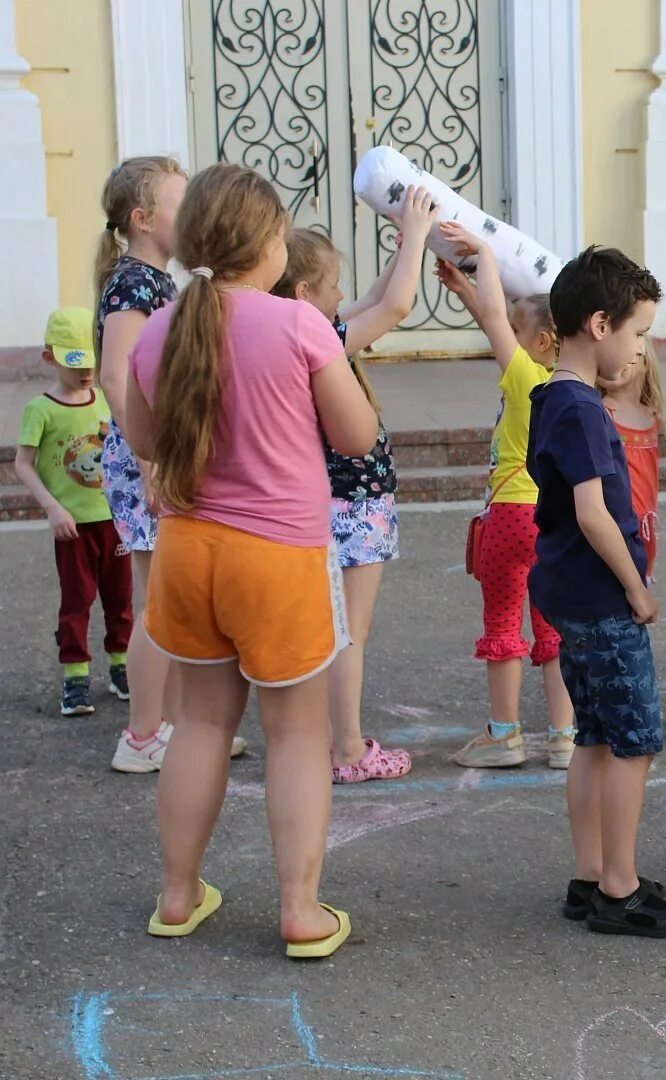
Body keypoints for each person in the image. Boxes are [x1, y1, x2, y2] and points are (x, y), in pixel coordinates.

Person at [123, 163, 378, 957]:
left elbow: (141, 441)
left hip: (189, 552)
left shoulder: (160, 328)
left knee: (199, 722)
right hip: (278, 556)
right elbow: (357, 437)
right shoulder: (296, 324)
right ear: (267, 243)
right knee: (297, 734)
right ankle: (300, 910)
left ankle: (177, 895)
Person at [530, 245, 666, 938]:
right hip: (602, 597)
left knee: (594, 735)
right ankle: (620, 888)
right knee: (634, 740)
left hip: (567, 592)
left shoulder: (552, 395)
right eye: (637, 331)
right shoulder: (586, 411)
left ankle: (590, 872)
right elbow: (597, 513)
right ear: (600, 325)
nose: (639, 346)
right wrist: (638, 589)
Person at [269, 189, 434, 784]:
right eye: (333, 283)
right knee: (349, 634)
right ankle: (345, 748)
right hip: (353, 506)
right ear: (306, 293)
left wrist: (404, 249)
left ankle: (324, 739)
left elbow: (373, 299)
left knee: (330, 629)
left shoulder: (296, 331)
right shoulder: (317, 340)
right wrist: (415, 233)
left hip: (328, 504)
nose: (343, 292)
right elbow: (394, 308)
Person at [95, 156, 246, 771]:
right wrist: (150, 457)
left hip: (156, 453)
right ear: (142, 218)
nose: (189, 218)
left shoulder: (153, 279)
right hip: (144, 456)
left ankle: (184, 727)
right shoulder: (134, 282)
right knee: (159, 601)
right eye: (178, 206)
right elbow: (115, 373)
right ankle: (141, 736)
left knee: (174, 599)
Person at [435, 221, 576, 771]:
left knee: (501, 625)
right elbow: (500, 321)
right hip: (553, 520)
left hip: (511, 516)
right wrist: (468, 289)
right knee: (552, 628)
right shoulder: (568, 381)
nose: (502, 345)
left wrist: (486, 260)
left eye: (516, 336)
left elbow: (499, 321)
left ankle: (504, 734)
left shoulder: (524, 378)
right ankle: (565, 736)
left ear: (538, 342)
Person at [15, 308, 132, 717]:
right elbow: (23, 464)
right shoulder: (40, 410)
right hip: (73, 529)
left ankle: (122, 669)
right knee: (77, 601)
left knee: (122, 601)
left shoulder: (106, 399)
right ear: (49, 358)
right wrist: (52, 507)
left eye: (90, 362)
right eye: (74, 364)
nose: (85, 373)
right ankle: (76, 678)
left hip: (115, 521)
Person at [600, 343, 663, 581]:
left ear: (645, 363)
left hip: (645, 523)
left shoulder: (651, 414)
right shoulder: (601, 412)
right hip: (614, 522)